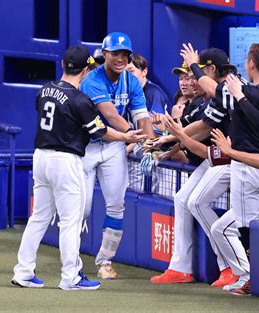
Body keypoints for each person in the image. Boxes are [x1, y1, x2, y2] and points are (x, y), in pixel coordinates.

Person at [12, 45, 144, 290]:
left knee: (39, 218)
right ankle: (70, 276)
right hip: (65, 160)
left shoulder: (44, 90)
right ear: (85, 70)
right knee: (71, 220)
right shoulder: (80, 99)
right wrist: (127, 137)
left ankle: (23, 271)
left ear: (63, 64)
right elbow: (100, 131)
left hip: (40, 156)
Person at [178, 43, 259, 295]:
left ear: (251, 64)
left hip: (247, 166)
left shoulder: (245, 93)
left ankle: (250, 277)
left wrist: (194, 65)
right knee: (246, 225)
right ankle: (253, 276)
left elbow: (211, 88)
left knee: (240, 228)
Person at [150, 47, 238, 288]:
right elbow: (203, 127)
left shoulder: (232, 86)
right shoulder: (212, 98)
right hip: (218, 157)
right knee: (182, 198)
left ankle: (230, 266)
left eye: (195, 73)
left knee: (197, 202)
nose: (191, 79)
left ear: (211, 69)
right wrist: (168, 138)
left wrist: (171, 137)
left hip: (238, 159)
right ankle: (180, 267)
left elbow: (203, 125)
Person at [80, 32, 154, 279]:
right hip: (87, 145)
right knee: (82, 209)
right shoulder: (92, 79)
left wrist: (151, 141)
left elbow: (142, 116)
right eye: (115, 53)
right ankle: (70, 262)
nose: (120, 58)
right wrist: (133, 134)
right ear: (104, 54)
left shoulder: (131, 82)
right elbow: (109, 115)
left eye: (124, 54)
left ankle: (105, 261)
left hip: (113, 147)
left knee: (116, 204)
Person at [126, 53, 171, 119]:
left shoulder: (154, 92)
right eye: (124, 72)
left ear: (144, 72)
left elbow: (156, 126)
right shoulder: (128, 92)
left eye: (131, 71)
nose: (127, 76)